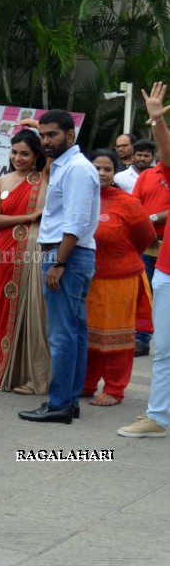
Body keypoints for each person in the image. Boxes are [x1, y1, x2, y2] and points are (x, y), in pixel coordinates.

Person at [19, 110, 99, 425]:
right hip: (71, 255)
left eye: (53, 134)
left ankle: (59, 403)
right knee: (74, 331)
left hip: (66, 255)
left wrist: (59, 262)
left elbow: (76, 222)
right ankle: (69, 399)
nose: (46, 140)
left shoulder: (77, 169)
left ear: (70, 135)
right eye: (43, 134)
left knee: (62, 333)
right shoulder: (67, 166)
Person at [83, 149, 155, 407]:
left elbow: (145, 237)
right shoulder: (79, 196)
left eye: (107, 169)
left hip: (121, 279)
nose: (101, 173)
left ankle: (114, 389)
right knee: (87, 335)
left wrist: (119, 256)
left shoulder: (127, 202)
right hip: (85, 278)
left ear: (115, 173)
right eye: (96, 168)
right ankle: (86, 384)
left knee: (116, 337)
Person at [119, 81, 170, 437]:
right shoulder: (161, 169)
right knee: (164, 350)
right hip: (167, 270)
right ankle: (158, 416)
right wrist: (156, 121)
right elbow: (167, 153)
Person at [0, 130, 50, 394]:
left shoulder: (44, 178)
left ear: (37, 155)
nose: (18, 158)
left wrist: (38, 125)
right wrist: (29, 216)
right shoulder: (1, 181)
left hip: (33, 250)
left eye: (25, 153)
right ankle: (5, 370)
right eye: (14, 152)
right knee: (3, 309)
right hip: (5, 251)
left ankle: (32, 376)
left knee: (33, 311)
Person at [131, 146, 170, 357]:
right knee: (145, 293)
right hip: (148, 244)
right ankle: (142, 339)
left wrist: (152, 219)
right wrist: (144, 228)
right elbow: (134, 204)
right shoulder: (147, 175)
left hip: (167, 243)